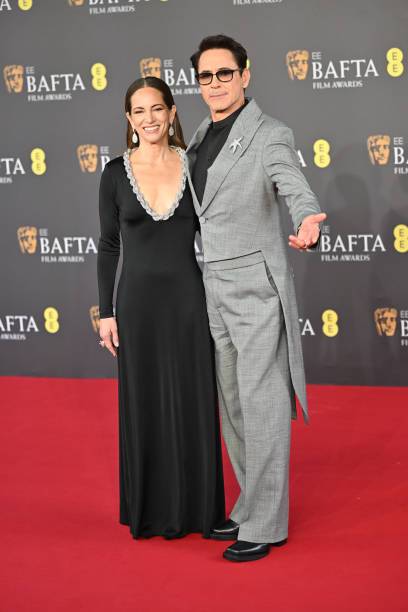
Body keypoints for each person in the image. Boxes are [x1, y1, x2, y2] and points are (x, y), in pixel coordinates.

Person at [187, 34, 326, 562]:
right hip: (212, 284)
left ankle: (267, 523)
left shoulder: (270, 134)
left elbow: (293, 183)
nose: (216, 83)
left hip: (255, 287)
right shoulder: (199, 135)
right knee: (234, 402)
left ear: (245, 75)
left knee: (262, 401)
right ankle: (251, 503)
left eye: (225, 73)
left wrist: (307, 218)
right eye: (206, 76)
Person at [97, 76, 225, 540]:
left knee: (193, 401)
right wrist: (105, 313)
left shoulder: (195, 166)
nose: (149, 119)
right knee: (144, 402)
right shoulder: (114, 173)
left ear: (172, 113)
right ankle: (149, 510)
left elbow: (218, 232)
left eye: (157, 109)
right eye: (139, 111)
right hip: (136, 306)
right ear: (129, 119)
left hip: (189, 302)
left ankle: (199, 510)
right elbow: (109, 245)